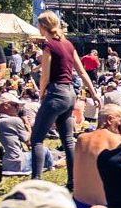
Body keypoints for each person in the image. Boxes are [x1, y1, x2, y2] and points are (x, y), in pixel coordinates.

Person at [30, 10, 99, 189]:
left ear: (42, 26)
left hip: (55, 92)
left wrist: (42, 92)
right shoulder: (68, 45)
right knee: (68, 139)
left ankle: (35, 183)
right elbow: (82, 72)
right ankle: (73, 181)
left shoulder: (49, 46)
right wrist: (94, 93)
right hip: (70, 94)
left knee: (37, 138)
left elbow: (45, 75)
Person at [73, 103, 121, 206]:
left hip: (79, 200)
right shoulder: (119, 140)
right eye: (120, 124)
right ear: (110, 119)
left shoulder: (81, 138)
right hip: (106, 203)